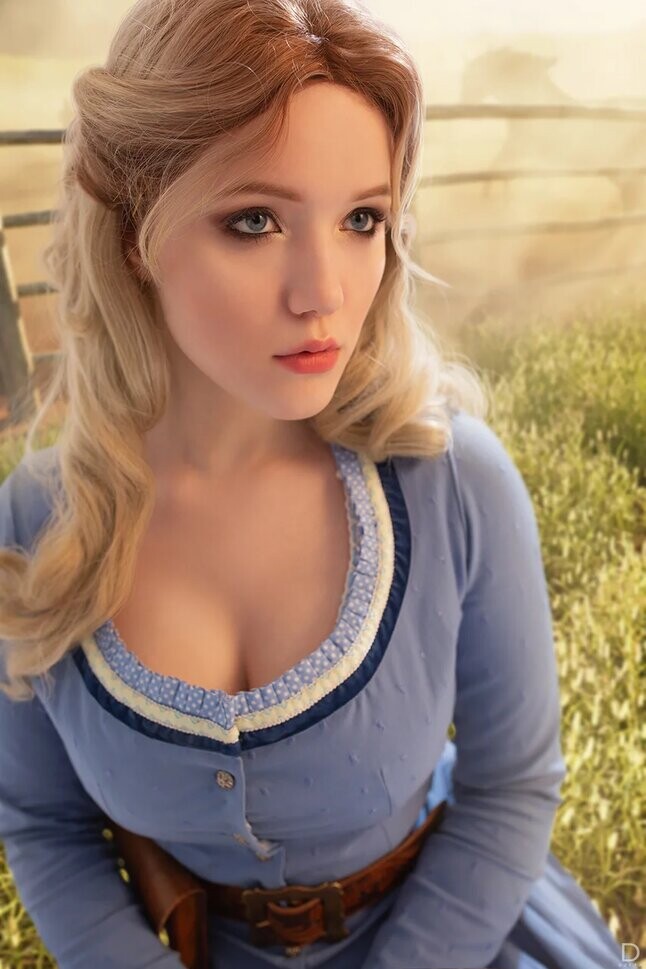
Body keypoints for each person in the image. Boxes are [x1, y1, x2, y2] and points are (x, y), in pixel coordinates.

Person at [0, 0, 624, 966]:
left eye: (362, 218)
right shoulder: (36, 521)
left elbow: (510, 788)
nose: (325, 291)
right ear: (132, 233)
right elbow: (42, 824)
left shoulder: (453, 483)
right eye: (254, 221)